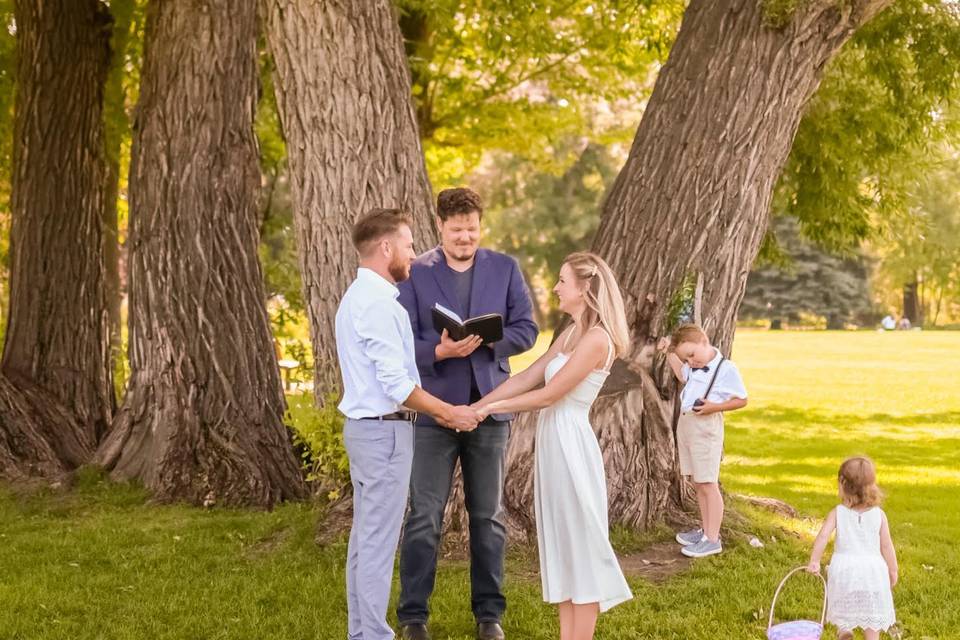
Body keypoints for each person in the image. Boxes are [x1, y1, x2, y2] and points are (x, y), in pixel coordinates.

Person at [396, 188, 538, 640]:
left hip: (489, 410)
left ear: (481, 225)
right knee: (424, 516)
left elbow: (528, 330)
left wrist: (491, 339)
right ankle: (413, 616)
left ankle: (489, 615)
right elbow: (401, 340)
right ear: (440, 226)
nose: (465, 237)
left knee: (489, 516)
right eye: (457, 230)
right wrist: (438, 349)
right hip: (434, 411)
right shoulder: (416, 273)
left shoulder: (505, 267)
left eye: (472, 229)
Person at [335, 208, 481, 640]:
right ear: (386, 248)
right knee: (377, 545)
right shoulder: (378, 304)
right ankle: (374, 635)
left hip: (368, 431)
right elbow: (397, 385)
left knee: (366, 541)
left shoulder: (358, 298)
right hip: (384, 434)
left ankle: (362, 634)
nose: (414, 254)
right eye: (408, 244)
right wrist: (448, 412)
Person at [472, 252, 633, 640]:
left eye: (562, 280)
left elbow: (550, 395)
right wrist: (476, 405)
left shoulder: (598, 339)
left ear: (585, 288)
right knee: (562, 548)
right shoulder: (573, 331)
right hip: (553, 443)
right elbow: (531, 374)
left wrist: (492, 408)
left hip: (571, 444)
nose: (556, 287)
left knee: (582, 547)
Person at [662, 324, 748, 558]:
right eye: (686, 358)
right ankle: (706, 529)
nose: (691, 362)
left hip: (706, 428)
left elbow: (742, 399)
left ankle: (712, 538)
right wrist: (669, 351)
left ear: (704, 341)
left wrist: (714, 407)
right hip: (687, 426)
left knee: (708, 483)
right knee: (698, 482)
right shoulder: (692, 367)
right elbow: (681, 374)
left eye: (692, 355)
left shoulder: (725, 368)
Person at [807, 456, 898, 640]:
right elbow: (887, 545)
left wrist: (814, 560)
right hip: (873, 571)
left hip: (845, 569)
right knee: (872, 618)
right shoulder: (879, 515)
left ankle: (844, 630)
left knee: (844, 606)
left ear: (842, 483)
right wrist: (893, 569)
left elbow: (823, 536)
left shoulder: (837, 512)